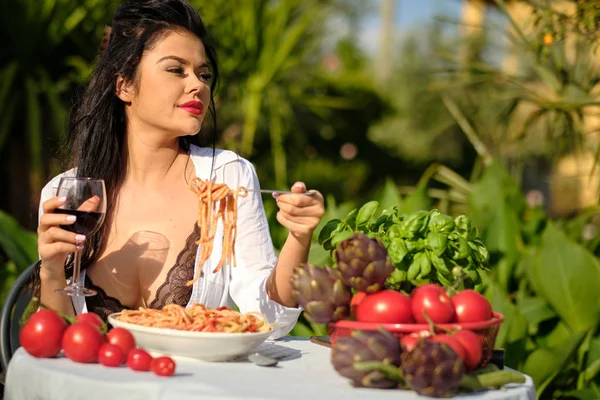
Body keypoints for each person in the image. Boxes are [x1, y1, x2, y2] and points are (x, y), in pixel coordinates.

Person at [32, 0, 325, 339]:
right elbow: (60, 339)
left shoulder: (226, 177)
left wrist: (299, 238)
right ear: (124, 85)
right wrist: (53, 270)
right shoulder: (68, 193)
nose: (197, 85)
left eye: (204, 74)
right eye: (176, 70)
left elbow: (271, 319)